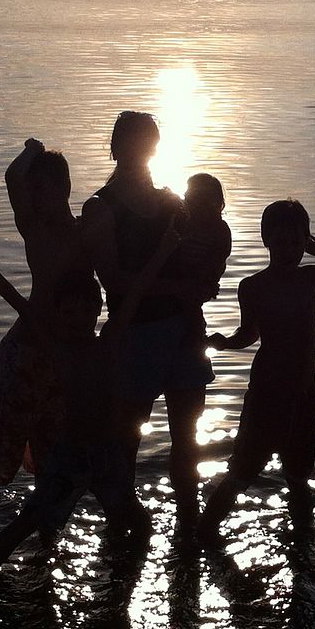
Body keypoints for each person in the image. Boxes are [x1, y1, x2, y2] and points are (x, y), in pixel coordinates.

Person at [0, 224, 179, 577]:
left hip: (107, 452)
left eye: (85, 312)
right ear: (58, 315)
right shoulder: (58, 349)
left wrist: (164, 251)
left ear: (97, 311)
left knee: (139, 523)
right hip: (68, 454)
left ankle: (126, 584)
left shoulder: (107, 344)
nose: (77, 320)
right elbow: (23, 307)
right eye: (68, 313)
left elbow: (137, 292)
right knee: (30, 520)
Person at [197, 199, 315, 543]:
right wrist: (224, 343)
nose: (289, 250)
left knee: (297, 475)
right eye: (281, 242)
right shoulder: (252, 286)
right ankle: (203, 534)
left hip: (303, 394)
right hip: (266, 393)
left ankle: (304, 541)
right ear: (266, 240)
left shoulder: (310, 277)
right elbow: (250, 334)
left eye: (296, 242)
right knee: (241, 471)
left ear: (305, 241)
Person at [81, 112, 210, 526]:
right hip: (136, 335)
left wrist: (205, 278)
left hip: (186, 330)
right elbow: (113, 279)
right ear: (116, 148)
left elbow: (196, 257)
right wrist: (176, 289)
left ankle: (189, 521)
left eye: (149, 145)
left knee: (187, 437)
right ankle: (123, 523)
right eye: (134, 144)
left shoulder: (173, 202)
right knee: (126, 439)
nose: (142, 153)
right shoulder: (101, 208)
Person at [0, 139, 86, 540]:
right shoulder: (34, 229)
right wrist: (30, 149)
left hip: (63, 361)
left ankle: (46, 538)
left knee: (53, 455)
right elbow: (12, 176)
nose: (37, 198)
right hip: (25, 353)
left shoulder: (85, 233)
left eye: (46, 189)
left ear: (65, 188)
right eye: (34, 192)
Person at [178, 173, 233, 346]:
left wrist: (206, 281)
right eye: (191, 197)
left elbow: (217, 261)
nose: (195, 203)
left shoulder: (219, 230)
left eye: (202, 198)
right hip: (180, 288)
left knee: (192, 325)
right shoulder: (181, 223)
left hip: (195, 289)